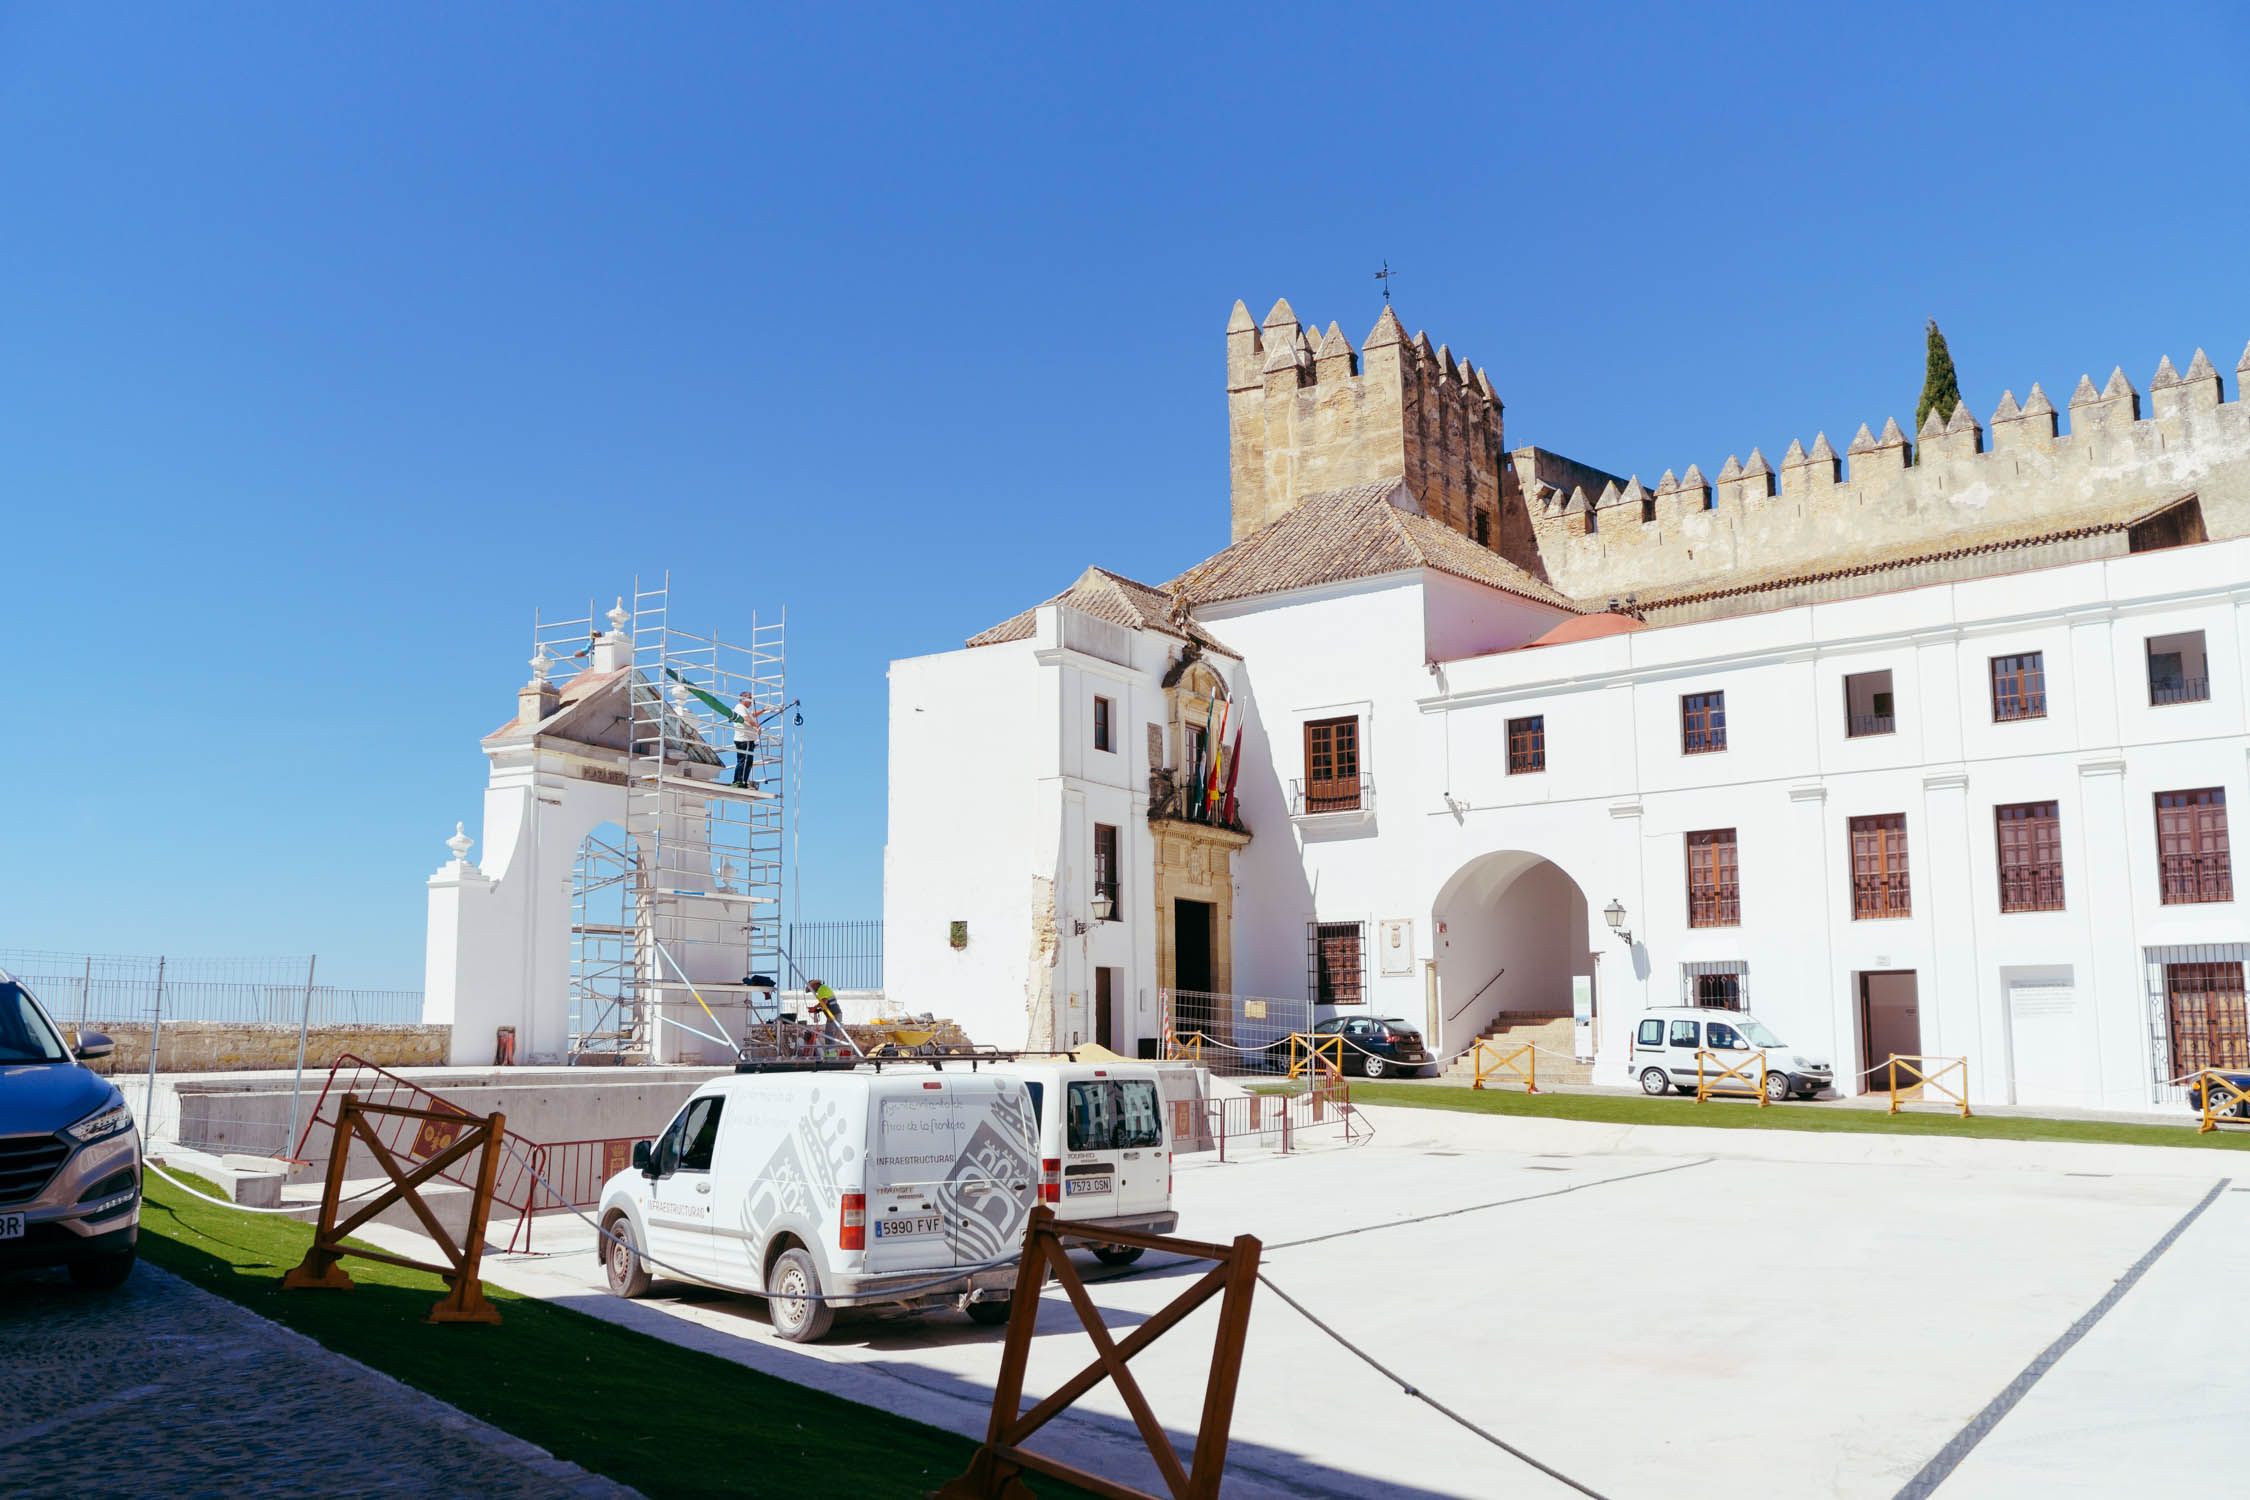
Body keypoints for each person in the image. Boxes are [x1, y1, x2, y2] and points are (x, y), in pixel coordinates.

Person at [807, 979, 847, 1059]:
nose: (812, 990)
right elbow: (825, 1005)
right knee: (829, 1036)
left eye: (811, 988)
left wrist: (814, 1008)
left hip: (834, 1015)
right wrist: (816, 1009)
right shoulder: (823, 990)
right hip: (833, 1015)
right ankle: (830, 1055)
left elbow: (824, 1002)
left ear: (815, 985)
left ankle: (831, 1056)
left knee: (830, 1036)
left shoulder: (822, 989)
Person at [729, 691, 762, 787]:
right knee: (744, 760)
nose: (751, 701)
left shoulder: (743, 709)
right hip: (744, 739)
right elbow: (747, 718)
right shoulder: (740, 707)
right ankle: (739, 780)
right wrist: (756, 726)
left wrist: (763, 710)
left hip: (747, 739)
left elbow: (752, 715)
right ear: (744, 699)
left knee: (747, 761)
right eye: (750, 698)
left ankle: (742, 780)